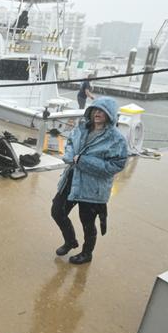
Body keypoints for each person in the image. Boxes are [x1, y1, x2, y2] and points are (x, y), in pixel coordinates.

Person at [51, 97, 128, 265]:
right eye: (95, 110)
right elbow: (71, 142)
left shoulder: (117, 139)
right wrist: (70, 155)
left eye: (102, 111)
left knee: (87, 222)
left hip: (93, 187)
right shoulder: (81, 127)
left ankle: (87, 253)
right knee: (57, 211)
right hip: (72, 179)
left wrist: (84, 161)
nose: (97, 113)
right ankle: (70, 240)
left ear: (110, 115)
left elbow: (117, 164)